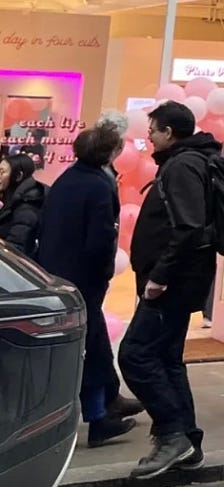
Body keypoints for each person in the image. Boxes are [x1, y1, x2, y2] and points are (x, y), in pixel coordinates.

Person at [119, 100, 220, 479]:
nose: (148, 136)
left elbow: (189, 226)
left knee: (135, 355)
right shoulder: (188, 162)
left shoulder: (182, 166)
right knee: (166, 359)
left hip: (172, 285)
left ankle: (173, 433)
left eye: (154, 130)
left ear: (170, 133)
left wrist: (159, 276)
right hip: (178, 281)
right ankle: (188, 444)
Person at [36, 123, 142, 447]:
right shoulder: (99, 186)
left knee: (89, 345)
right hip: (84, 279)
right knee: (92, 345)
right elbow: (100, 239)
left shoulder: (66, 180)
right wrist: (105, 270)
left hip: (57, 273)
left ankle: (108, 400)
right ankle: (101, 414)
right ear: (111, 153)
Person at [0, 153, 44, 257]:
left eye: (2, 172)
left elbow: (16, 247)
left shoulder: (27, 207)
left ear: (18, 176)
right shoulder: (12, 200)